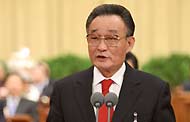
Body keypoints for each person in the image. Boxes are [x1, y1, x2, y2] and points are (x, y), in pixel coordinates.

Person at [47, 4, 175, 122]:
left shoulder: (154, 90)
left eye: (111, 38)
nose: (101, 47)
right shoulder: (64, 90)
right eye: (94, 38)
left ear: (129, 43)